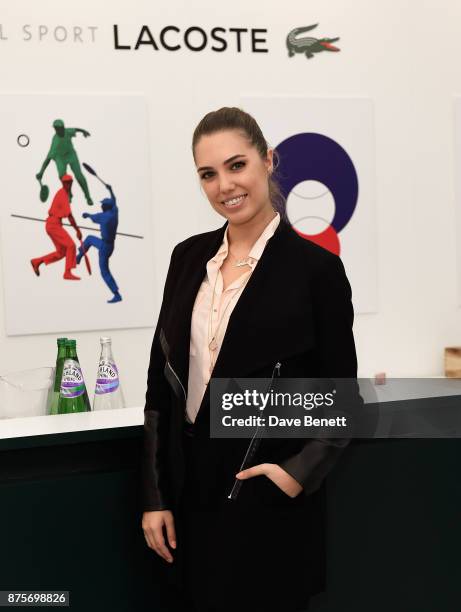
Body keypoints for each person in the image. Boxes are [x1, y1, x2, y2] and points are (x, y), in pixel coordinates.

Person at [141, 107, 359, 612]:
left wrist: (293, 473)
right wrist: (154, 495)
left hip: (259, 491)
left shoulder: (316, 271)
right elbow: (160, 386)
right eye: (208, 174)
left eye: (236, 165)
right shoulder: (187, 257)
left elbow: (341, 398)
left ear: (268, 161)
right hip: (184, 493)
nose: (225, 186)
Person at [31, 173, 82, 280]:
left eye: (70, 183)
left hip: (54, 224)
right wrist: (77, 230)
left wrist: (77, 229)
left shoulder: (63, 194)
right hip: (53, 224)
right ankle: (67, 272)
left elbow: (68, 215)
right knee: (71, 245)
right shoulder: (63, 194)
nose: (69, 185)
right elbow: (69, 216)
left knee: (62, 252)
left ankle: (37, 262)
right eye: (66, 183)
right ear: (63, 183)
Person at [77, 184, 122, 303]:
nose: (101, 205)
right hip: (109, 244)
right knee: (90, 239)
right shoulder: (114, 211)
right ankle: (79, 256)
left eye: (102, 204)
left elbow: (93, 217)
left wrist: (87, 215)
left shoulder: (104, 217)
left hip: (105, 247)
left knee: (104, 271)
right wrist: (111, 190)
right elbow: (114, 200)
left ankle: (116, 294)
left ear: (105, 207)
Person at [36, 118, 94, 206]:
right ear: (56, 130)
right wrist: (41, 172)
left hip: (71, 155)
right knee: (62, 176)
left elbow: (75, 129)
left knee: (79, 176)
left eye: (62, 128)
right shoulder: (55, 142)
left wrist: (83, 131)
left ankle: (88, 196)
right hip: (60, 158)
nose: (61, 130)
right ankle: (69, 193)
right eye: (59, 129)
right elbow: (47, 159)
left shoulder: (67, 131)